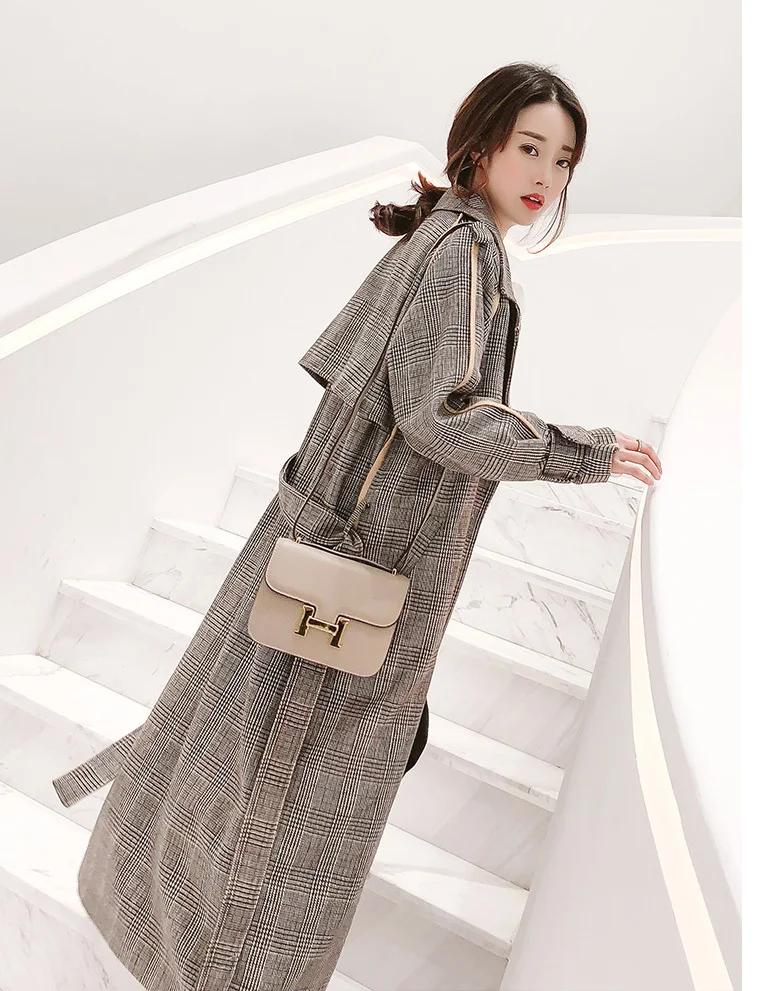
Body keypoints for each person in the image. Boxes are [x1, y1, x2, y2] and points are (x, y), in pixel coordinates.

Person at [51, 62, 662, 991]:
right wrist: (583, 451)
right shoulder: (462, 253)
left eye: (564, 159)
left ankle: (162, 928)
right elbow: (438, 415)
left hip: (342, 560)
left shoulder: (454, 239)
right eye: (530, 147)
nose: (547, 175)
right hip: (357, 577)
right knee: (285, 805)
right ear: (482, 144)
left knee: (246, 770)